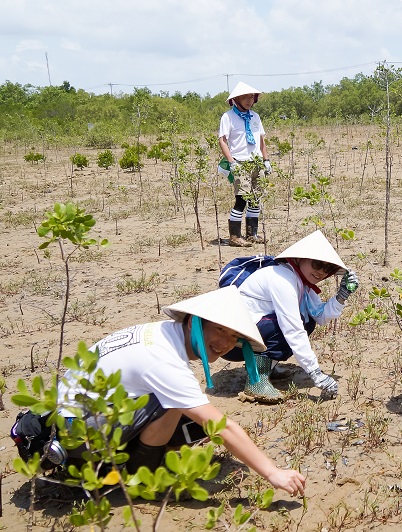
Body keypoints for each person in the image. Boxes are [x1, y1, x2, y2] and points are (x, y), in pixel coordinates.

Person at [55, 286, 306, 496]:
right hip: (77, 434)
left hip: (77, 417)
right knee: (178, 406)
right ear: (191, 322)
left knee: (190, 416)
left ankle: (130, 457)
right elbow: (221, 426)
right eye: (219, 329)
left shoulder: (161, 333)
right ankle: (141, 475)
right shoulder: (163, 359)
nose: (226, 343)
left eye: (234, 336)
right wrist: (274, 473)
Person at [223, 230, 359, 403]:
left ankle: (267, 367)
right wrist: (316, 373)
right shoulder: (282, 279)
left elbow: (321, 317)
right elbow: (293, 330)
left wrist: (342, 295)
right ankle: (256, 381)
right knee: (287, 326)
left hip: (246, 335)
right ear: (300, 258)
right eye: (317, 264)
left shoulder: (302, 284)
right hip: (229, 340)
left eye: (328, 269)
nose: (321, 273)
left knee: (307, 321)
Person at [218, 81, 272, 247]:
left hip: (256, 162)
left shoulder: (255, 117)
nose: (249, 100)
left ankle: (252, 234)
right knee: (241, 198)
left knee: (255, 198)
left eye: (251, 97)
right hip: (240, 162)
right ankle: (235, 236)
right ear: (236, 99)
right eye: (245, 97)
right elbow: (222, 140)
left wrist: (266, 160)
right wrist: (231, 162)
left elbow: (261, 140)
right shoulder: (228, 117)